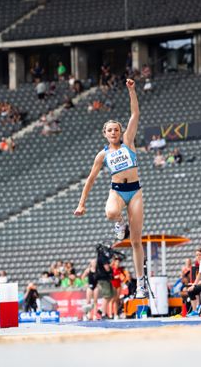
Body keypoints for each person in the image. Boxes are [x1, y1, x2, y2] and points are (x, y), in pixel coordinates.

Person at [74, 79, 148, 299]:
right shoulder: (103, 155)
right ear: (104, 133)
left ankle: (141, 283)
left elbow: (135, 114)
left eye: (116, 129)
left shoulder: (128, 142)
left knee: (136, 241)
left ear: (120, 131)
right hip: (117, 190)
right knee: (111, 212)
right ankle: (119, 223)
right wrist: (81, 203)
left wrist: (132, 91)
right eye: (110, 130)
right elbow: (90, 179)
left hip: (134, 191)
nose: (114, 132)